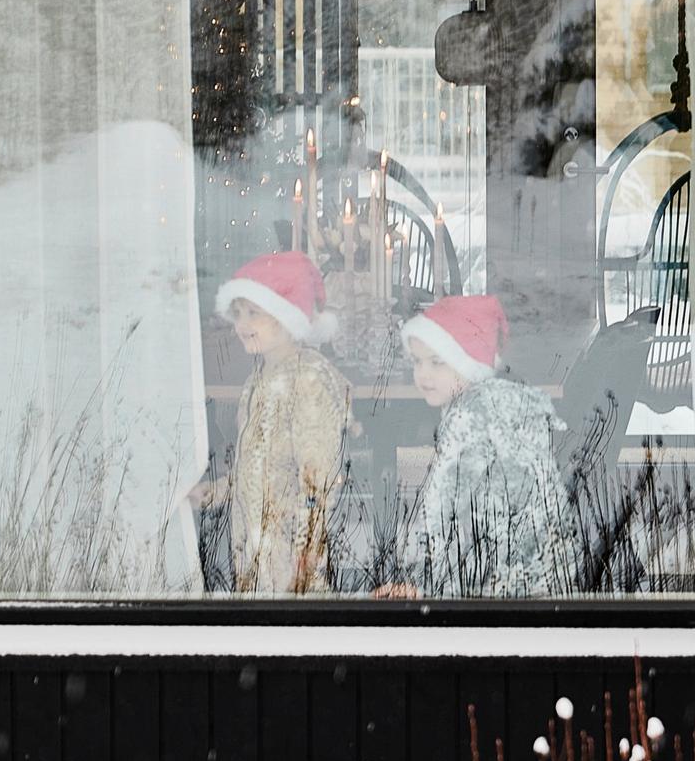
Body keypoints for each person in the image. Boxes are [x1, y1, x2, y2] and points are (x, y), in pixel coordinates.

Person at [383, 294, 575, 599]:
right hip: (538, 581)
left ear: (467, 362)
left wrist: (421, 587)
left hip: (494, 593)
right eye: (417, 361)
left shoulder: (471, 417)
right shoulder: (497, 405)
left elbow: (448, 517)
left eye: (438, 362)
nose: (424, 374)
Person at [207, 251, 351, 595]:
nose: (242, 325)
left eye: (254, 313)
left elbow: (318, 482)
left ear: (287, 317)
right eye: (238, 314)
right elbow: (258, 463)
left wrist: (304, 557)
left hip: (289, 562)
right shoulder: (258, 378)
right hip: (254, 556)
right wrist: (217, 491)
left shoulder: (308, 379)